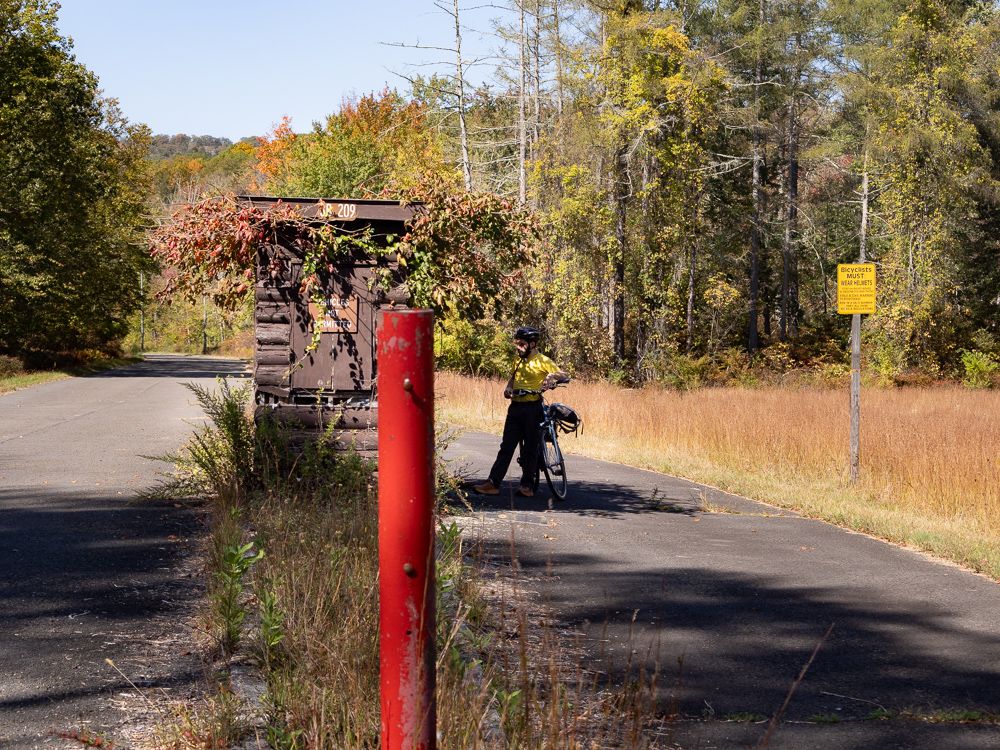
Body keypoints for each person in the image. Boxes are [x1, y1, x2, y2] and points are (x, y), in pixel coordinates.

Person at [473, 326, 570, 498]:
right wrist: (508, 388)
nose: (518, 347)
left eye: (522, 344)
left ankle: (527, 486)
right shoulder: (517, 360)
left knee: (530, 448)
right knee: (506, 446)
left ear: (532, 344)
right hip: (515, 408)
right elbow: (513, 377)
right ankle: (493, 483)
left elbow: (563, 374)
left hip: (533, 408)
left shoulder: (542, 361)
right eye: (517, 343)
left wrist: (551, 377)